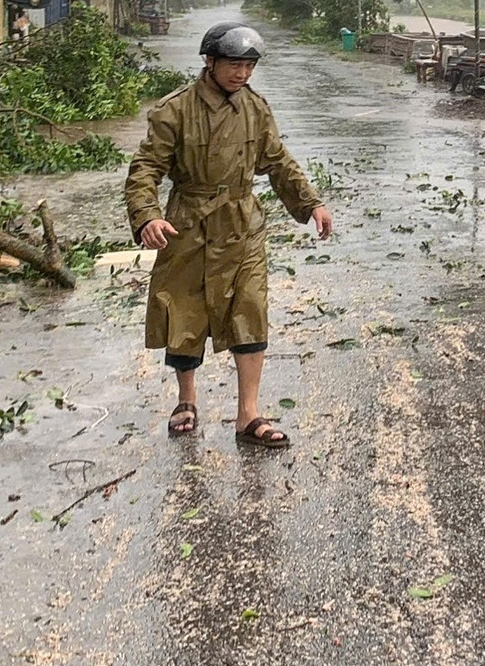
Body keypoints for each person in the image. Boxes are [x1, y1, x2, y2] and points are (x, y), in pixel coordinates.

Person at [124, 23, 333, 447]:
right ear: (210, 62)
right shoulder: (175, 110)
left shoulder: (256, 108)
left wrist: (312, 203)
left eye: (249, 65)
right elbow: (145, 168)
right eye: (234, 64)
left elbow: (278, 162)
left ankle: (248, 415)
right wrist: (147, 217)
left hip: (242, 225)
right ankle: (186, 400)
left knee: (250, 309)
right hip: (188, 225)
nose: (242, 74)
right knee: (184, 311)